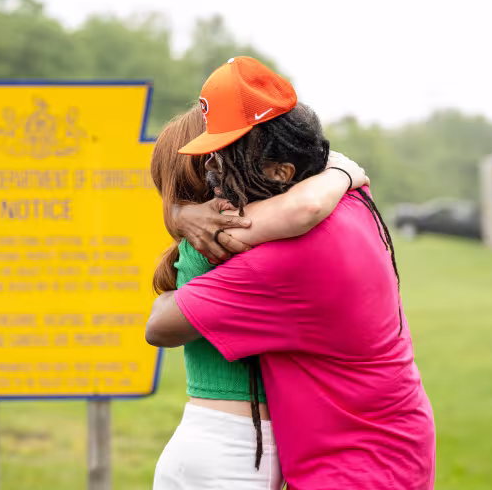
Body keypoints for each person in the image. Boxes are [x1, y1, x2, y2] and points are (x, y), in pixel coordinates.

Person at [147, 57, 436, 489]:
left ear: (281, 173)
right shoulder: (349, 197)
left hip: (352, 468)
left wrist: (186, 216)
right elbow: (315, 190)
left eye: (224, 163)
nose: (216, 180)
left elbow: (160, 325)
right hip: (394, 446)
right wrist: (181, 213)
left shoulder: (283, 260)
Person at [150, 106, 369, 489]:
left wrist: (179, 212)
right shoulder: (228, 239)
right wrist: (345, 172)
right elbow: (307, 200)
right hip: (229, 452)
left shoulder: (224, 234)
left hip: (229, 448)